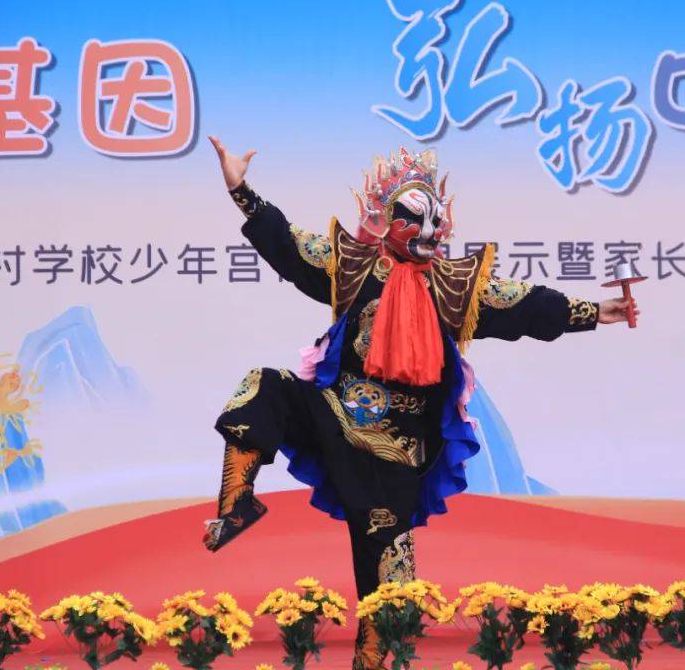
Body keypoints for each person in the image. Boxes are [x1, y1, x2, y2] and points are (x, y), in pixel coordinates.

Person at [203, 138, 639, 669]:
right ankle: (237, 504)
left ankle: (375, 659)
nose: (431, 230)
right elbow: (289, 245)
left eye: (436, 220)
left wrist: (597, 312)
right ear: (389, 222)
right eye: (415, 219)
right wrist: (240, 190)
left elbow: (524, 304)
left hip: (396, 451)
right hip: (333, 417)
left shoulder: (454, 287)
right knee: (263, 388)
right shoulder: (353, 267)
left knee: (387, 584)